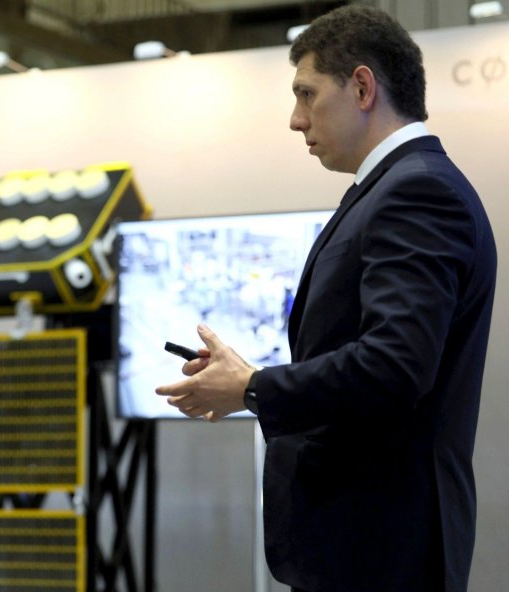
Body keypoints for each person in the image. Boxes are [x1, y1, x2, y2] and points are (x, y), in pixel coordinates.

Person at [155, 6, 496, 592]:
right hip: (368, 543)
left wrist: (254, 387)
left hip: (382, 547)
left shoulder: (414, 190)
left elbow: (394, 365)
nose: (295, 119)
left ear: (363, 86)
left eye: (307, 94)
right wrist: (247, 385)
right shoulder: (392, 188)